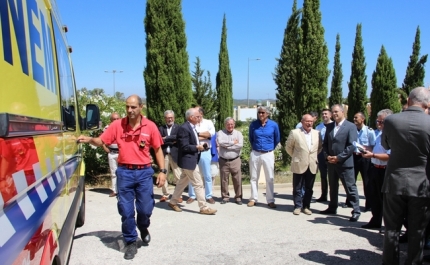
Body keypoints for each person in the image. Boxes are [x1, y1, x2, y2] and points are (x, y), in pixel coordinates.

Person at [77, 95, 166, 260]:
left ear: (141, 107)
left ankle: (143, 226)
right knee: (125, 211)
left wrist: (162, 171)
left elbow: (158, 149)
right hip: (124, 172)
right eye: (127, 107)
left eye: (133, 107)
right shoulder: (117, 125)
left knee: (145, 209)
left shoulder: (150, 126)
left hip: (144, 173)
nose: (130, 110)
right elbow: (101, 140)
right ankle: (131, 241)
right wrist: (89, 139)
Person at [380, 87, 430, 265]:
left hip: (394, 180)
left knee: (391, 229)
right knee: (417, 231)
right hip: (422, 183)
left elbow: (385, 144)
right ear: (427, 104)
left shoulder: (391, 120)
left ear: (408, 101)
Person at [167, 108, 217, 215]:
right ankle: (203, 207)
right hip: (188, 161)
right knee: (198, 184)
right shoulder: (184, 128)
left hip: (191, 160)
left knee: (182, 183)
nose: (199, 118)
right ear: (191, 117)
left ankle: (173, 201)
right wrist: (197, 147)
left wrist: (200, 146)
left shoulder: (192, 127)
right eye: (197, 116)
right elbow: (184, 146)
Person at [320, 104, 361, 222]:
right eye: (333, 112)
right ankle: (332, 207)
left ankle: (356, 210)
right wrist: (327, 156)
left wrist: (339, 157)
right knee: (333, 186)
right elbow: (326, 144)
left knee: (350, 187)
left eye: (337, 112)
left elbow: (351, 146)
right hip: (331, 162)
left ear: (343, 112)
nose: (335, 114)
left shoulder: (350, 126)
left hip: (344, 163)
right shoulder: (330, 126)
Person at [360, 109, 392, 229]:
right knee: (374, 196)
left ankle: (390, 225)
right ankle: (376, 220)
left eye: (381, 121)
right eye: (377, 121)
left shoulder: (392, 135)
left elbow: (389, 156)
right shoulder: (378, 133)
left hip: (385, 170)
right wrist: (366, 148)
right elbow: (376, 148)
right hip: (374, 168)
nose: (378, 123)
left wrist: (372, 155)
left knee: (386, 199)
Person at [286, 114, 322, 215]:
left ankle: (306, 206)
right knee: (297, 187)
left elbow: (319, 148)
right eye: (307, 121)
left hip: (312, 164)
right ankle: (297, 206)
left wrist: (311, 157)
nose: (309, 123)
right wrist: (297, 156)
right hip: (299, 163)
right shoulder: (295, 133)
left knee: (309, 188)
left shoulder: (317, 133)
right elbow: (288, 147)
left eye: (311, 121)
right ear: (302, 122)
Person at [248, 106, 280, 208]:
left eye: (262, 112)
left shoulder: (273, 125)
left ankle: (270, 200)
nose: (260, 114)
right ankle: (253, 198)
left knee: (269, 177)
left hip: (268, 153)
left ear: (267, 114)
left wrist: (270, 148)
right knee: (254, 177)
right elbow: (251, 138)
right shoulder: (253, 125)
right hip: (256, 153)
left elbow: (277, 139)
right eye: (259, 112)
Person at [346, 112, 375, 210]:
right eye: (354, 117)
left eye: (356, 117)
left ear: (362, 119)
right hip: (354, 157)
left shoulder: (369, 131)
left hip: (365, 158)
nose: (354, 119)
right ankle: (349, 201)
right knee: (350, 180)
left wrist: (366, 149)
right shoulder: (352, 130)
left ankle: (369, 204)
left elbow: (373, 145)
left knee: (367, 181)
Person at [186, 107, 216, 204]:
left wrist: (197, 134)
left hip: (205, 151)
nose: (196, 117)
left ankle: (209, 195)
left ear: (202, 114)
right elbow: (190, 137)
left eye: (198, 115)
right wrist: (203, 135)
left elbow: (210, 134)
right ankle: (192, 195)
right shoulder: (191, 124)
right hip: (194, 151)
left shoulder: (208, 122)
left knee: (207, 175)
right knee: (192, 174)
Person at [217, 117, 244, 205]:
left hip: (235, 160)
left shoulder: (238, 134)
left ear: (234, 125)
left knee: (237, 179)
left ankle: (238, 197)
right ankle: (225, 197)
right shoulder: (220, 133)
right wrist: (233, 143)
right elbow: (220, 143)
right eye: (228, 124)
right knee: (224, 180)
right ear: (225, 125)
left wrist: (227, 146)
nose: (230, 126)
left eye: (232, 124)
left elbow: (240, 145)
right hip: (223, 160)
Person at [158, 110, 182, 202]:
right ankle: (165, 194)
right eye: (168, 118)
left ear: (174, 118)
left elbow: (178, 138)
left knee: (178, 176)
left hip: (175, 154)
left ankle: (178, 195)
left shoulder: (178, 128)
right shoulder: (161, 128)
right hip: (164, 155)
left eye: (171, 117)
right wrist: (172, 140)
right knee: (164, 175)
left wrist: (166, 138)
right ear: (165, 118)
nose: (170, 119)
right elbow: (159, 140)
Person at [315, 108, 333, 202]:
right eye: (323, 114)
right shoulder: (318, 127)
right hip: (322, 153)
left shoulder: (335, 126)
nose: (324, 116)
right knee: (323, 175)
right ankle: (324, 195)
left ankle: (333, 197)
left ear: (330, 115)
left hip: (332, 153)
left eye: (326, 114)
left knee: (333, 175)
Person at [102, 112, 121, 197]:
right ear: (111, 120)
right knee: (114, 173)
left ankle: (123, 190)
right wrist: (105, 148)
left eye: (118, 119)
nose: (116, 121)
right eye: (114, 119)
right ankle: (115, 190)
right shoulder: (107, 128)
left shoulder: (124, 128)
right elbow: (102, 140)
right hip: (112, 153)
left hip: (122, 154)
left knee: (123, 173)